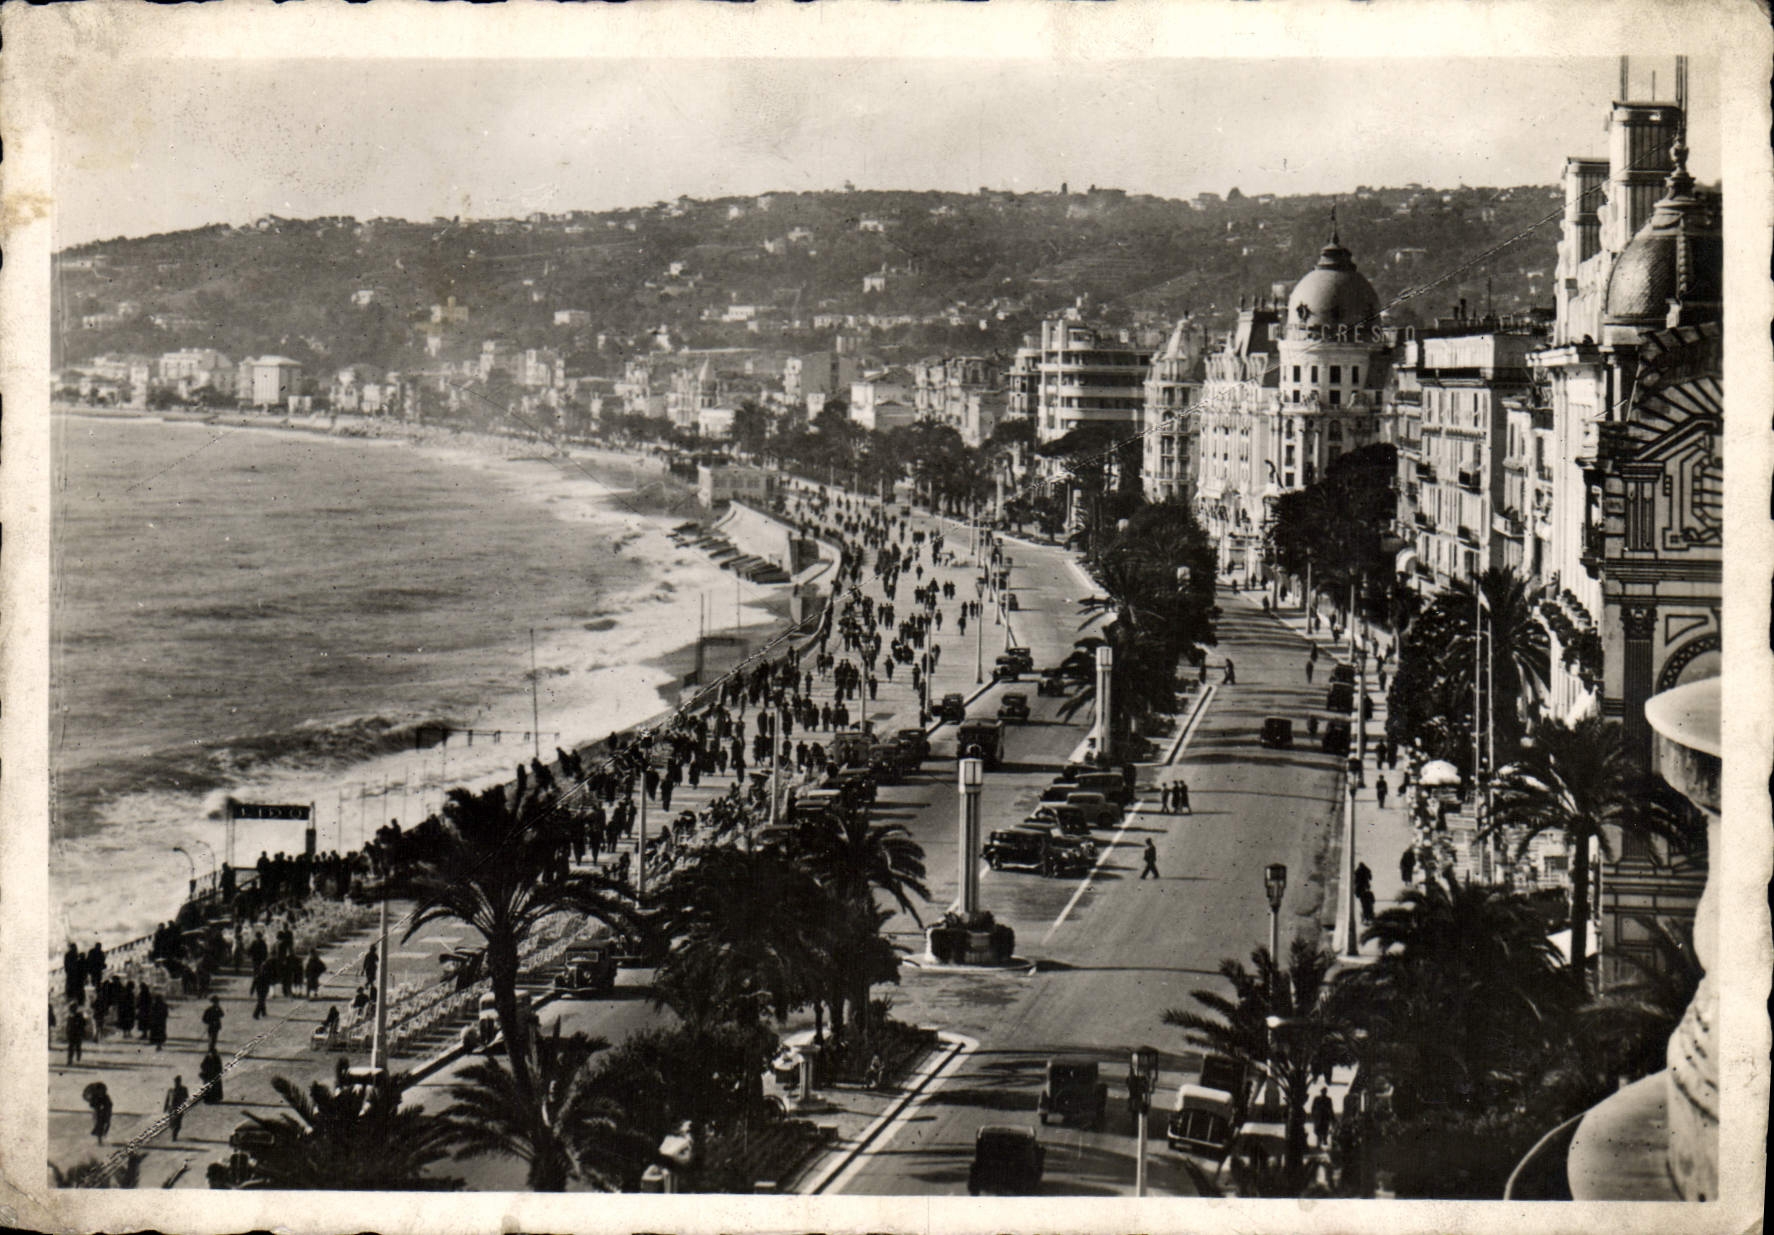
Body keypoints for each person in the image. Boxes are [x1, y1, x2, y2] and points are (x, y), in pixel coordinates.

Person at [164, 1075, 190, 1141]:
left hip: (179, 1108)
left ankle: (174, 1135)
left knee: (178, 1124)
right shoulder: (170, 1090)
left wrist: (185, 1106)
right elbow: (167, 1099)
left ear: (180, 1081)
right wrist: (165, 1107)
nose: (176, 1083)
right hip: (171, 1109)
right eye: (175, 1081)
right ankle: (174, 1135)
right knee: (172, 1123)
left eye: (178, 1081)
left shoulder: (184, 1089)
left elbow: (186, 1098)